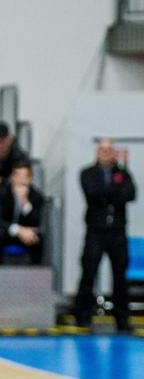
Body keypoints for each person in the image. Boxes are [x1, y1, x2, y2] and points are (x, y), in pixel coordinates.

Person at [75, 139, 137, 331]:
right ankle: (83, 315)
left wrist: (109, 192)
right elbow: (92, 193)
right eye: (102, 149)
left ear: (114, 153)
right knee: (89, 272)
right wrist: (114, 191)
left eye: (109, 150)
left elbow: (131, 194)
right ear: (97, 152)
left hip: (117, 231)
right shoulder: (88, 173)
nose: (105, 153)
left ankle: (122, 318)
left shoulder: (122, 172)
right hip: (96, 231)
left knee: (120, 275)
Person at [0, 162, 44, 265]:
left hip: (26, 233)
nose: (20, 180)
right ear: (12, 177)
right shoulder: (2, 193)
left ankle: (35, 272)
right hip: (7, 230)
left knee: (37, 238)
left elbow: (36, 221)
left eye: (24, 177)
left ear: (29, 179)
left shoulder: (36, 196)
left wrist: (25, 202)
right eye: (17, 176)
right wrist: (18, 230)